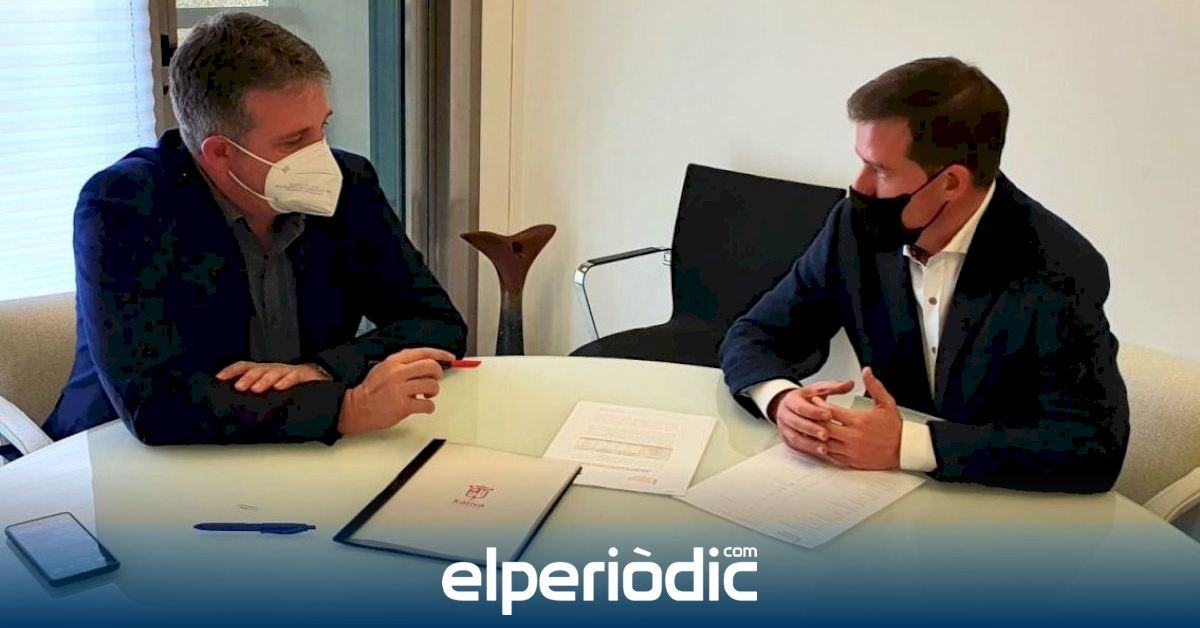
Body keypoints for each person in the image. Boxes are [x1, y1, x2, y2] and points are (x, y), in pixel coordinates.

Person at [42, 12, 466, 446]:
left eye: (323, 126)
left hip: (295, 451)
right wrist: (344, 408)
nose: (320, 154)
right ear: (220, 153)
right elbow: (156, 403)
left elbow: (436, 322)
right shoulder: (125, 204)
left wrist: (323, 370)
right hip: (112, 454)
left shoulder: (348, 183)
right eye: (293, 140)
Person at [719, 57, 1128, 493]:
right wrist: (780, 399)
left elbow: (1093, 446)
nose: (859, 186)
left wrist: (908, 445)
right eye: (862, 162)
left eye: (881, 170)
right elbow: (756, 334)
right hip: (879, 498)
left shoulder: (1059, 267)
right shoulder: (853, 228)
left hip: (1000, 505)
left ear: (951, 182)